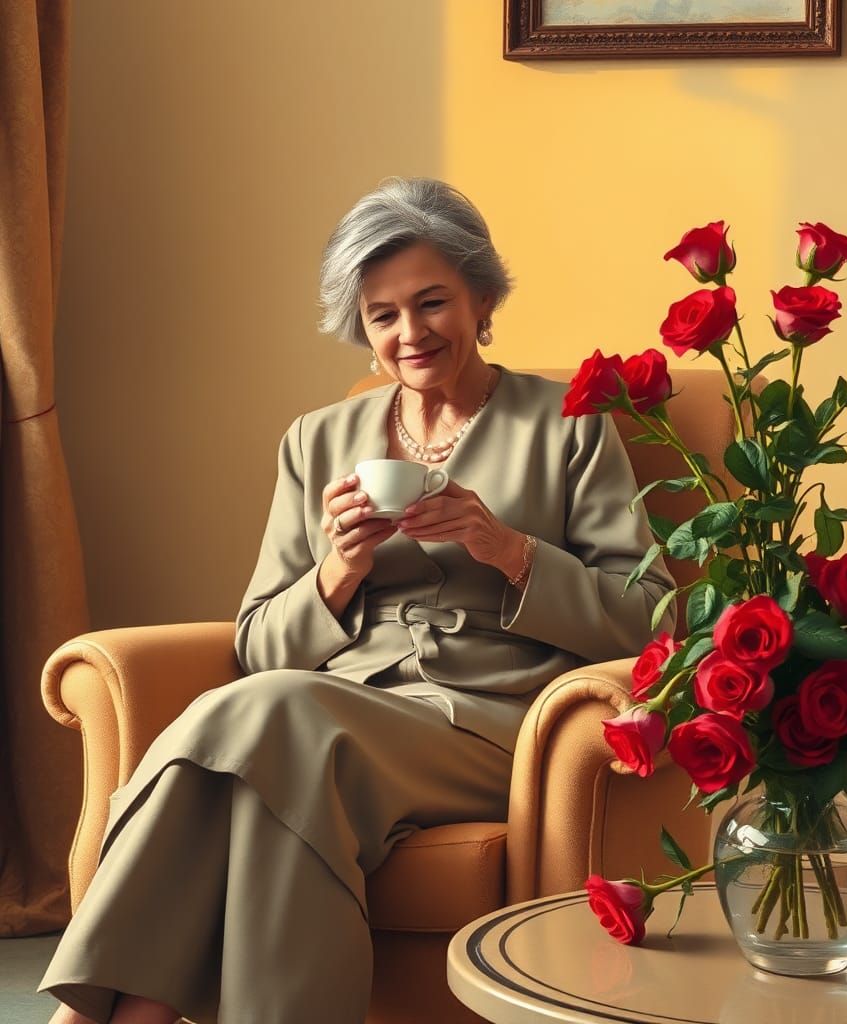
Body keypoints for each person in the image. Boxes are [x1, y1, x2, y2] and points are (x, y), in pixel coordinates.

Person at [39, 177, 676, 1024]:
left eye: (432, 302)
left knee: (270, 715)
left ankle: (87, 1015)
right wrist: (337, 571)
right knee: (273, 769)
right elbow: (258, 644)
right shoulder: (317, 440)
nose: (410, 333)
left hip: (490, 726)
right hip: (328, 723)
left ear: (483, 296)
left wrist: (508, 550)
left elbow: (651, 617)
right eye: (382, 315)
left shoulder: (568, 424)